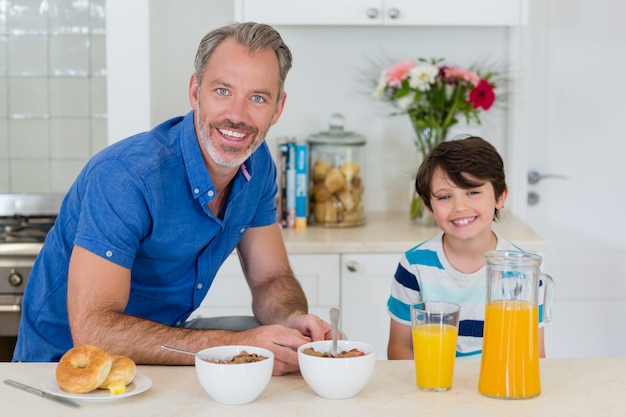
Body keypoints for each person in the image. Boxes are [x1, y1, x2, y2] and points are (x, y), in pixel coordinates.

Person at [13, 22, 333, 375]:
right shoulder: (126, 176)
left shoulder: (256, 165)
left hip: (157, 356)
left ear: (278, 108)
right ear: (195, 92)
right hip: (61, 371)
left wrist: (292, 319)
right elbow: (95, 332)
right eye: (223, 90)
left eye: (258, 98)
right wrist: (237, 345)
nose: (238, 115)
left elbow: (270, 277)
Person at [386, 136, 547, 359]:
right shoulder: (415, 266)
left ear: (500, 196)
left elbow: (532, 353)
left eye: (472, 192)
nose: (459, 207)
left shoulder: (522, 269)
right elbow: (400, 348)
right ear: (429, 207)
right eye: (444, 197)